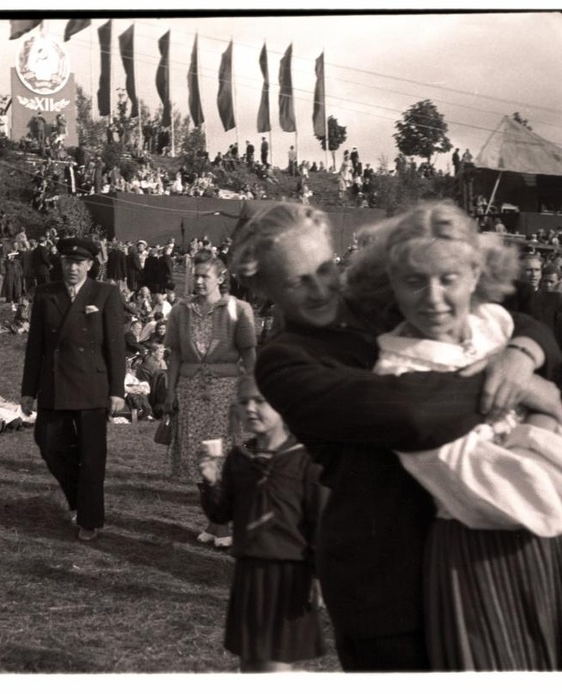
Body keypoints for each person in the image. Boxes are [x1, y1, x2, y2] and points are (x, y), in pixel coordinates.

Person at [229, 200, 561, 672]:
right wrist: (516, 384)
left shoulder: (381, 302)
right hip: (385, 571)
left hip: (474, 548)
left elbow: (508, 318)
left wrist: (522, 354)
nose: (321, 289)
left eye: (325, 269)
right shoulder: (285, 363)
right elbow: (412, 412)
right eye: (296, 281)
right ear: (262, 286)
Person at [346, 201, 562, 670]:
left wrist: (525, 361)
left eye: (449, 279)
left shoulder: (494, 325)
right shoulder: (401, 377)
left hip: (550, 550)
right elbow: (531, 495)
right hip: (484, 557)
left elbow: (528, 329)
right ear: (390, 285)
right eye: (413, 281)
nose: (434, 298)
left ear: (475, 274)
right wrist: (549, 414)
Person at [198, 376, 327, 672]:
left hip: (290, 576)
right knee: (251, 665)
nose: (251, 409)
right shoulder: (239, 458)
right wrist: (210, 479)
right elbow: (220, 515)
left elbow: (322, 524)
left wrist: (319, 578)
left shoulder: (306, 460)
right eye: (244, 402)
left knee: (275, 669)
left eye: (260, 401)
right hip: (249, 574)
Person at [21, 237, 126, 541]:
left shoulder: (105, 293)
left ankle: (89, 519)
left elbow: (116, 348)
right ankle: (80, 499)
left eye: (79, 263)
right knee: (48, 443)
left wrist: (117, 390)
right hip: (54, 382)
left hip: (93, 385)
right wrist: (28, 390)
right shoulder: (45, 294)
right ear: (61, 263)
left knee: (92, 456)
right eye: (68, 262)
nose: (72, 268)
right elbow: (35, 347)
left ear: (90, 265)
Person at [164, 251, 257, 546]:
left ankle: (222, 524)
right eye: (196, 275)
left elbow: (249, 353)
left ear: (221, 278)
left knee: (221, 455)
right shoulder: (180, 310)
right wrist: (169, 392)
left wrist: (250, 393)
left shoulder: (237, 309)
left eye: (206, 276)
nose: (200, 281)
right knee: (196, 458)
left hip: (224, 391)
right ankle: (216, 520)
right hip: (189, 391)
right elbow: (175, 353)